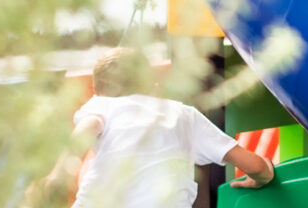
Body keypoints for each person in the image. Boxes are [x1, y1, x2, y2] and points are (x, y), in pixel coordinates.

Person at [28, 47, 274, 207]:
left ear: (98, 91)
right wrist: (263, 175)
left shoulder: (103, 106)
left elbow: (87, 128)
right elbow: (253, 165)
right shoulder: (184, 114)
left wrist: (57, 175)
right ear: (153, 86)